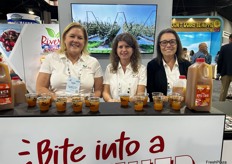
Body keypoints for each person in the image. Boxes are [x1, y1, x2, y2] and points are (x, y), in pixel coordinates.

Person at [36, 22, 103, 99]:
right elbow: (40, 88)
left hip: (85, 108)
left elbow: (99, 91)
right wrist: (59, 100)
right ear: (64, 39)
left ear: (84, 42)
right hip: (58, 107)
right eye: (72, 36)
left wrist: (86, 102)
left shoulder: (93, 62)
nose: (75, 40)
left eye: (80, 38)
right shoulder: (51, 59)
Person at [147, 28, 191, 101]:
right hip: (160, 108)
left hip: (183, 108)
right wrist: (171, 99)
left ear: (177, 44)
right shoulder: (152, 66)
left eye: (172, 42)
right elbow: (151, 94)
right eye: (164, 42)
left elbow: (191, 91)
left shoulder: (187, 65)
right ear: (159, 45)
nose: (168, 45)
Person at [103, 33, 147, 102]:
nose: (124, 50)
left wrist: (123, 101)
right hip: (114, 108)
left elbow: (140, 95)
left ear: (133, 49)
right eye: (120, 47)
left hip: (133, 109)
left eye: (127, 46)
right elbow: (105, 92)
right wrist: (109, 100)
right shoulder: (109, 68)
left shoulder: (141, 69)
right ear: (116, 50)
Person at [217, 34, 232, 101]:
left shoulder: (224, 48)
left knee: (223, 91)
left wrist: (219, 72)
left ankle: (221, 107)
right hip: (226, 71)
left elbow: (220, 61)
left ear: (230, 39)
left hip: (226, 72)